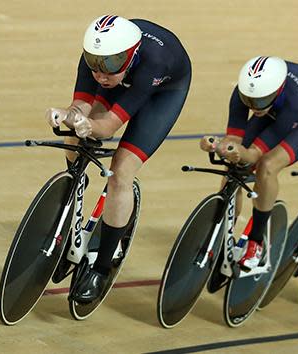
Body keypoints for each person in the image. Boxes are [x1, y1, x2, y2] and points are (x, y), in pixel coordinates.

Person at [45, 15, 191, 303]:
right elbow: (81, 106)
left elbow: (108, 127)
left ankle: (101, 267)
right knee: (76, 135)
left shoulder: (154, 63)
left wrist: (89, 124)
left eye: (111, 65)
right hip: (130, 79)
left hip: (163, 92)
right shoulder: (99, 59)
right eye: (95, 64)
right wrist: (68, 116)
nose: (101, 74)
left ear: (131, 54)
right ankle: (70, 208)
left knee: (121, 172)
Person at [200, 56, 298, 270]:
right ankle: (223, 233)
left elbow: (254, 155)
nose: (253, 107)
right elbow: (234, 141)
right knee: (232, 167)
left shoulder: (296, 101)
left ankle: (256, 241)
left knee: (267, 166)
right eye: (249, 101)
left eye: (258, 101)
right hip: (273, 110)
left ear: (276, 91)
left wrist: (240, 153)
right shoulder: (246, 94)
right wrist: (221, 147)